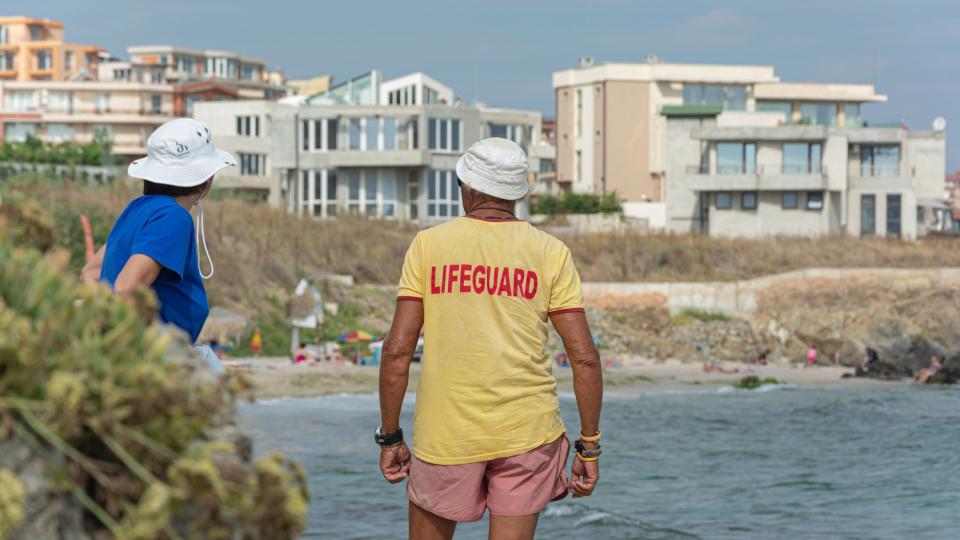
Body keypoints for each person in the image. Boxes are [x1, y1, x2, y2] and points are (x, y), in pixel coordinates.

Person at [377, 138, 603, 540]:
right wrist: (589, 445)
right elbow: (583, 357)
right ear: (517, 194)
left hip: (446, 433)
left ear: (469, 188)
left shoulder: (429, 246)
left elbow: (397, 351)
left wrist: (391, 436)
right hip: (527, 433)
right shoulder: (551, 252)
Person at [81, 118, 234, 374]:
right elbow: (126, 288)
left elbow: (91, 273)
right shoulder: (173, 217)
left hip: (141, 352)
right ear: (204, 181)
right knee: (229, 409)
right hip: (163, 359)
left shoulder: (136, 209)